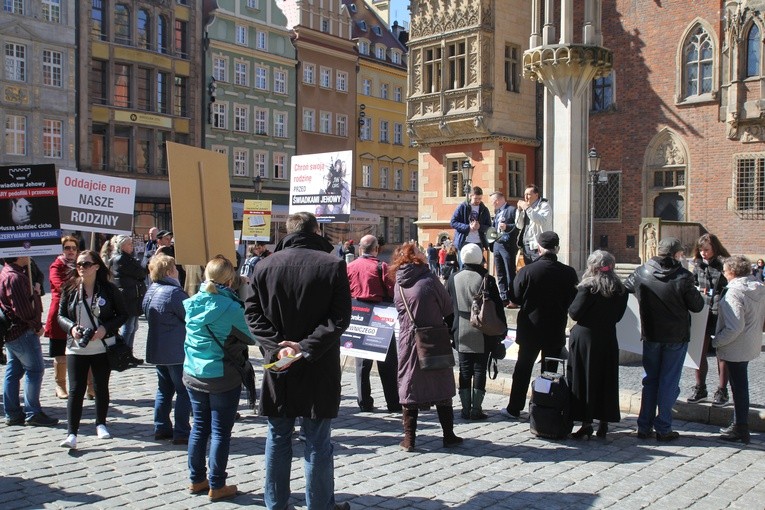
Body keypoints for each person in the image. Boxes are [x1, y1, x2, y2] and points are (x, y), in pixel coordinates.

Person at [245, 212, 352, 510]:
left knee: (278, 435)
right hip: (317, 362)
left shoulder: (264, 266)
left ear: (287, 232)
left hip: (281, 363)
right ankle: (319, 506)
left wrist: (279, 347)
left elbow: (251, 314)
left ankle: (276, 505)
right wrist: (303, 347)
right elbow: (340, 317)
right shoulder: (333, 264)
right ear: (316, 230)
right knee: (317, 439)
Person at [183, 255, 256, 501]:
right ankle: (217, 484)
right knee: (220, 432)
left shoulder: (192, 301)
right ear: (230, 279)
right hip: (221, 375)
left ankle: (196, 480)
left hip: (193, 372)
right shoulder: (230, 307)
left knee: (199, 428)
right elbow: (251, 337)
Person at [625, 237, 704, 441]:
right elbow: (697, 306)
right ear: (676, 254)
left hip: (651, 334)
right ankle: (663, 427)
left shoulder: (641, 272)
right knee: (668, 382)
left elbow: (625, 288)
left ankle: (644, 426)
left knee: (650, 381)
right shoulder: (683, 276)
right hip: (675, 336)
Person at [391, 242, 461, 451]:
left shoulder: (398, 282)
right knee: (440, 384)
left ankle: (409, 439)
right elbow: (447, 306)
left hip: (407, 339)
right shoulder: (429, 278)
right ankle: (448, 435)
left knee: (409, 385)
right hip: (432, 337)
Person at [502, 231, 578, 419]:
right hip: (555, 328)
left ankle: (515, 407)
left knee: (523, 369)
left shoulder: (527, 271)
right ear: (556, 248)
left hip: (531, 329)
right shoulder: (568, 272)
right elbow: (573, 299)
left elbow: (514, 297)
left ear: (540, 247)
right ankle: (544, 406)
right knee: (549, 373)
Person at [57, 250, 129, 448]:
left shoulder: (109, 289)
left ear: (96, 266)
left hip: (101, 346)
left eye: (86, 264)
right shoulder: (70, 288)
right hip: (76, 348)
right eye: (79, 264)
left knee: (100, 387)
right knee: (75, 389)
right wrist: (72, 328)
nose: (81, 267)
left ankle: (101, 423)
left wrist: (105, 328)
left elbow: (123, 314)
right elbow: (61, 315)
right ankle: (72, 433)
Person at [567, 250, 628, 439]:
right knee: (605, 379)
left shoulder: (588, 288)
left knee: (584, 379)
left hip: (586, 337)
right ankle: (604, 422)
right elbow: (618, 316)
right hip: (608, 337)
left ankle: (586, 422)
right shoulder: (621, 290)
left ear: (591, 267)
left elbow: (574, 313)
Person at [447, 244, 506, 420]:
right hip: (483, 328)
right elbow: (497, 308)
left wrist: (451, 330)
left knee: (464, 369)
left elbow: (448, 307)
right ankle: (476, 409)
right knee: (480, 368)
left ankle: (465, 408)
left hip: (461, 328)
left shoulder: (453, 278)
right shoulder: (487, 279)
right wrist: (501, 330)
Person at [712, 256, 765, 444]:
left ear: (732, 272)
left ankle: (740, 427)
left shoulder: (734, 292)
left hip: (736, 345)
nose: (724, 274)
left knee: (739, 387)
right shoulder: (758, 287)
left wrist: (716, 341)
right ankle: (739, 424)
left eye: (725, 271)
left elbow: (734, 326)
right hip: (750, 342)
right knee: (740, 384)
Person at [1, 256, 58, 427]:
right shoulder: (15, 277)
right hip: (22, 331)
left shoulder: (11, 272)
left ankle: (13, 413)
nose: (30, 256)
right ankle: (32, 412)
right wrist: (36, 325)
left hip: (13, 332)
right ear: (19, 255)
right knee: (35, 370)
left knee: (13, 371)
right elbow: (22, 310)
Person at [347, 234, 400, 413]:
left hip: (358, 315)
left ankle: (364, 402)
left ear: (360, 249)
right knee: (387, 362)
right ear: (376, 249)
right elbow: (393, 291)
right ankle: (393, 403)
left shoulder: (350, 266)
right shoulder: (382, 267)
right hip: (380, 315)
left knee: (362, 364)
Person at [143, 253, 190, 445]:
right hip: (175, 350)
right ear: (170, 271)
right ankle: (181, 431)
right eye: (175, 268)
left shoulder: (151, 290)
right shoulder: (174, 293)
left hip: (158, 349)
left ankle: (161, 427)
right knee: (184, 391)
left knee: (164, 389)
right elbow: (188, 316)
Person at [687, 234, 731, 406]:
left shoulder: (724, 264)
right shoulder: (697, 265)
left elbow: (729, 286)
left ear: (714, 248)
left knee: (722, 352)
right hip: (702, 310)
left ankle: (722, 390)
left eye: (706, 250)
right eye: (701, 250)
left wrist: (718, 295)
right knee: (699, 350)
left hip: (720, 311)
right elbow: (693, 285)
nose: (703, 253)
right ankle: (700, 388)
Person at [44, 236, 79, 399]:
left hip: (79, 312)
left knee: (84, 350)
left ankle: (90, 387)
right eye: (67, 248)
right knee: (60, 352)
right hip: (60, 312)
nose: (71, 251)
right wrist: (78, 286)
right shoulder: (56, 265)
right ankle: (60, 386)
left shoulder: (82, 264)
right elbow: (58, 284)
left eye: (73, 248)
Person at [109, 235, 148, 366]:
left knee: (134, 327)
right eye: (129, 244)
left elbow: (141, 272)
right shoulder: (121, 259)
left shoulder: (129, 258)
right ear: (122, 246)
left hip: (134, 296)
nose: (132, 246)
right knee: (128, 326)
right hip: (128, 297)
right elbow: (141, 273)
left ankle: (129, 353)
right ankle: (123, 354)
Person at [489, 191, 519, 306]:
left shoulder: (512, 210)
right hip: (497, 244)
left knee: (509, 271)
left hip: (507, 246)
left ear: (497, 200)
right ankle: (504, 297)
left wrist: (507, 227)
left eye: (493, 202)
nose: (492, 204)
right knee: (500, 272)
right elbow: (494, 228)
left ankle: (513, 298)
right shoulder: (497, 212)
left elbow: (518, 226)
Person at [515, 185, 552, 264]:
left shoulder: (544, 206)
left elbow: (541, 221)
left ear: (536, 195)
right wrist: (519, 211)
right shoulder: (525, 208)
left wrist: (528, 209)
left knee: (539, 270)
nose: (526, 197)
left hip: (537, 246)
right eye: (525, 195)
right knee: (529, 270)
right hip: (526, 246)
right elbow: (519, 225)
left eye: (528, 194)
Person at [450, 186, 492, 256]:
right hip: (464, 242)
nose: (478, 201)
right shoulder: (463, 207)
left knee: (477, 266)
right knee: (464, 266)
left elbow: (489, 227)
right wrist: (468, 227)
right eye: (475, 198)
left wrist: (480, 227)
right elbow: (453, 222)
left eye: (480, 198)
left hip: (478, 243)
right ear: (470, 196)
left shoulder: (484, 209)